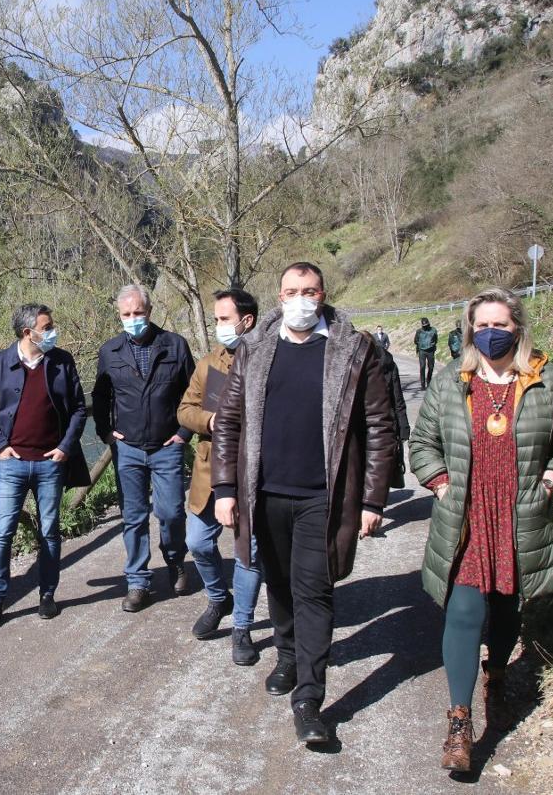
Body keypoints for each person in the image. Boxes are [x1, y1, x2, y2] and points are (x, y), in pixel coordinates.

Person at [212, 262, 396, 745]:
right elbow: (229, 424)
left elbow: (380, 427)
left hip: (324, 497)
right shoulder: (254, 349)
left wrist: (373, 499)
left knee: (314, 590)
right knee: (279, 581)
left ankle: (309, 700)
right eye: (291, 291)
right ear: (278, 295)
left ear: (322, 294)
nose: (299, 299)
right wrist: (226, 489)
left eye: (308, 291)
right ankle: (288, 654)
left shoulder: (354, 350)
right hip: (265, 492)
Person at [409, 287, 553, 773]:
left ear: (518, 328)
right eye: (481, 325)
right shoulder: (452, 380)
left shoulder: (548, 378)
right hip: (465, 515)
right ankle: (460, 723)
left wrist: (551, 480)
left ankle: (498, 678)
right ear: (470, 330)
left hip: (519, 512)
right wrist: (441, 482)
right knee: (463, 611)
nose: (490, 333)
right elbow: (422, 443)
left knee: (507, 612)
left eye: (500, 325)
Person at [0, 303, 90, 626]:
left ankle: (47, 595)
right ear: (29, 332)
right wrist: (0, 447)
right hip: (11, 464)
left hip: (50, 464)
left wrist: (65, 447)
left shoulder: (62, 362)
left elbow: (80, 409)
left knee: (50, 532)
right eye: (47, 326)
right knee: (3, 532)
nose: (53, 331)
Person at [93, 284, 196, 612]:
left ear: (150, 312)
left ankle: (175, 560)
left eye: (139, 313)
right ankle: (137, 581)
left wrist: (183, 432)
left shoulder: (175, 346)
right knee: (134, 517)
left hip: (167, 446)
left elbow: (193, 393)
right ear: (119, 315)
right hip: (129, 449)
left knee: (171, 512)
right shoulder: (110, 351)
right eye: (127, 314)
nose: (133, 319)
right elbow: (100, 397)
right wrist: (106, 433)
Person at [177, 289, 264, 664]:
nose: (218, 326)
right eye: (214, 319)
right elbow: (185, 409)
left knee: (249, 552)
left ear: (247, 321)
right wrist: (210, 420)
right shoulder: (208, 364)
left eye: (224, 319)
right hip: (210, 467)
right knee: (197, 541)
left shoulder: (269, 358)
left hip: (255, 471)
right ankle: (218, 598)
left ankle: (242, 627)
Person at [378, 345, 410, 489]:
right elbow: (398, 400)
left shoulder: (388, 365)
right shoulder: (389, 364)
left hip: (382, 426)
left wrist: (403, 427)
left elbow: (397, 399)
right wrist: (403, 427)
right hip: (387, 425)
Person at [415, 317, 439, 389]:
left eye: (426, 325)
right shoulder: (419, 331)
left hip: (430, 351)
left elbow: (436, 339)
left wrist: (431, 345)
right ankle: (422, 384)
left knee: (431, 367)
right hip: (422, 351)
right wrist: (420, 345)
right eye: (424, 326)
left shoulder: (433, 330)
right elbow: (415, 341)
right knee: (422, 367)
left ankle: (429, 381)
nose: (425, 326)